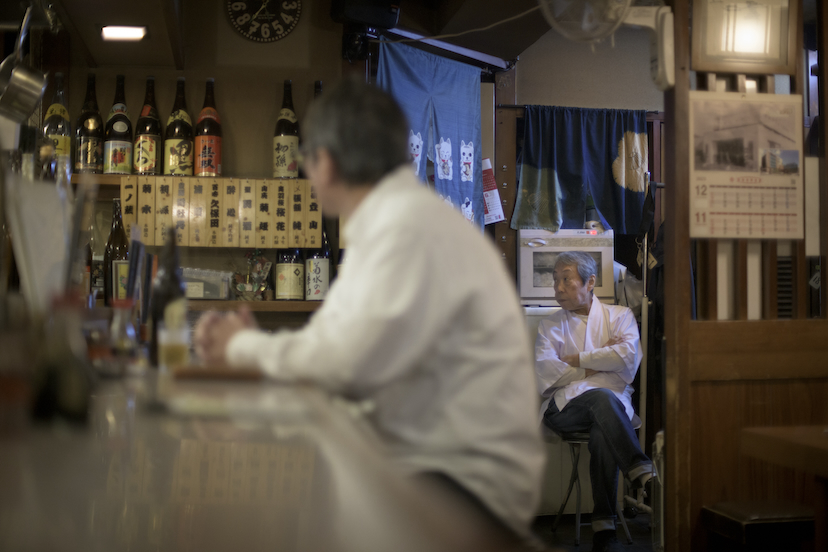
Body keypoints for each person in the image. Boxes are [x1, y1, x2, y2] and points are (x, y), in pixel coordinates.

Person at [194, 77, 545, 548]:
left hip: (465, 493)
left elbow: (339, 361)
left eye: (307, 160)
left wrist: (239, 345)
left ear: (327, 163)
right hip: (438, 470)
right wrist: (256, 350)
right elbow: (336, 344)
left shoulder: (405, 227)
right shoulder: (395, 218)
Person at [535, 251, 653, 552]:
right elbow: (548, 374)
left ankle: (604, 529)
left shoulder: (621, 315)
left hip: (611, 408)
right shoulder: (550, 325)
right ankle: (640, 470)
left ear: (590, 282)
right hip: (564, 408)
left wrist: (576, 360)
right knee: (601, 395)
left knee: (604, 429)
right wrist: (603, 361)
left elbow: (627, 358)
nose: (558, 288)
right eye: (555, 280)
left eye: (566, 279)